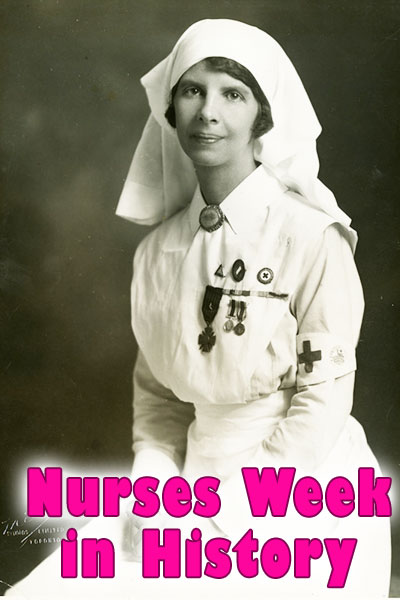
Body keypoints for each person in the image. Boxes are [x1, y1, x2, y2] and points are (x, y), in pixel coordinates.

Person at [7, 18, 391, 599]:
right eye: (193, 90)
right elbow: (159, 396)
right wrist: (155, 483)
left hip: (300, 488)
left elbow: (323, 401)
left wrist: (229, 513)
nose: (208, 111)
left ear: (262, 116)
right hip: (192, 482)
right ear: (171, 109)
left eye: (232, 94)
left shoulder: (311, 238)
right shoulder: (157, 252)